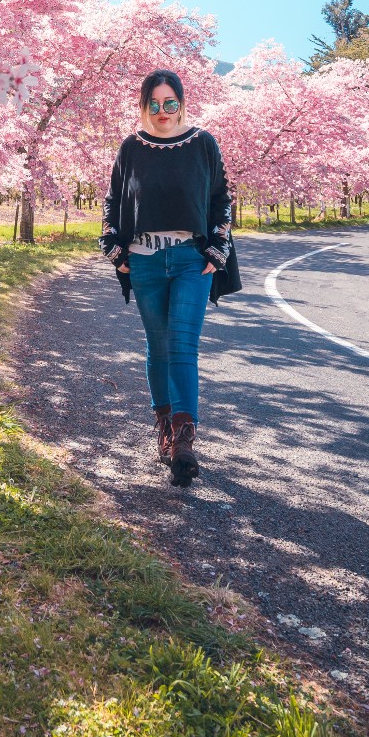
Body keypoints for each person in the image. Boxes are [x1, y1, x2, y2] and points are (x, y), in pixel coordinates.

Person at [99, 70, 233, 486]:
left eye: (170, 103)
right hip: (144, 261)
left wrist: (218, 246)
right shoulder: (131, 148)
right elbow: (113, 200)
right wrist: (113, 247)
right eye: (154, 104)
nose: (162, 111)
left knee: (181, 345)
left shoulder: (202, 144)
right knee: (158, 346)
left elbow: (221, 199)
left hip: (190, 259)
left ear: (181, 103)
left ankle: (184, 441)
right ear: (144, 106)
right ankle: (164, 428)